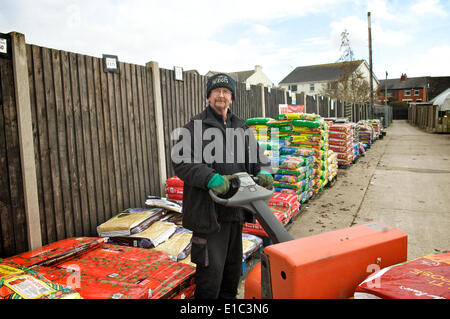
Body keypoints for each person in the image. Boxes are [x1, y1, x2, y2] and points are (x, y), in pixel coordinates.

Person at [171, 73, 273, 299]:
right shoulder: (194, 128)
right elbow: (182, 161)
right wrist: (211, 178)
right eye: (216, 91)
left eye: (226, 92)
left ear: (232, 98)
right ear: (208, 96)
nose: (221, 95)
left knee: (232, 274)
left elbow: (257, 157)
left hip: (236, 212)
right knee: (210, 278)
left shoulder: (241, 127)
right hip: (209, 217)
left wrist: (264, 171)